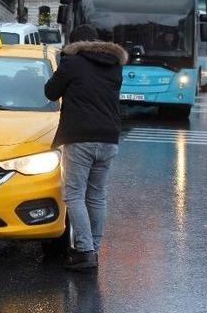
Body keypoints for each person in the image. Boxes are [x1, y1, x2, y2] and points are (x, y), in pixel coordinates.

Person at [43, 24, 127, 271]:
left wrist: (64, 62)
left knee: (74, 195)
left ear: (73, 43)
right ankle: (94, 249)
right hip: (109, 137)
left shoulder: (72, 63)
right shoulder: (114, 65)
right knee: (97, 195)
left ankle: (85, 251)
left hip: (81, 137)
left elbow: (50, 92)